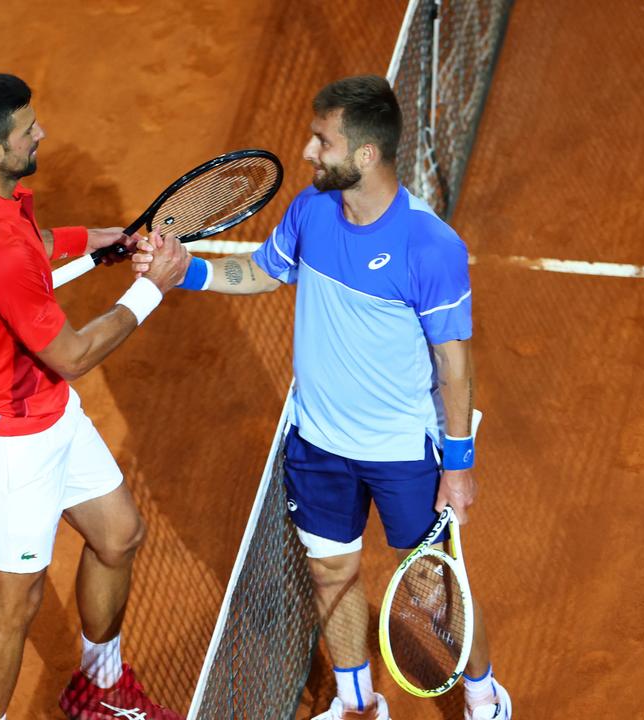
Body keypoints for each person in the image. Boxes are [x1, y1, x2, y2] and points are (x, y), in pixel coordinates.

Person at [143, 74, 512, 719]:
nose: (309, 154)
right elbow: (262, 269)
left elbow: (454, 363)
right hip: (319, 444)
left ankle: (484, 697)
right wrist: (188, 271)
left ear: (365, 155)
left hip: (404, 451)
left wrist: (458, 465)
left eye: (323, 141)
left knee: (433, 592)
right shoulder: (312, 211)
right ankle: (356, 704)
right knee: (330, 576)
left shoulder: (429, 246)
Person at [0, 72, 188, 720]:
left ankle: (97, 689)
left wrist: (91, 239)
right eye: (27, 130)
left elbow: (31, 246)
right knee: (11, 606)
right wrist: (150, 289)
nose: (40, 132)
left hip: (45, 415)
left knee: (119, 536)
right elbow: (73, 355)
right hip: (8, 446)